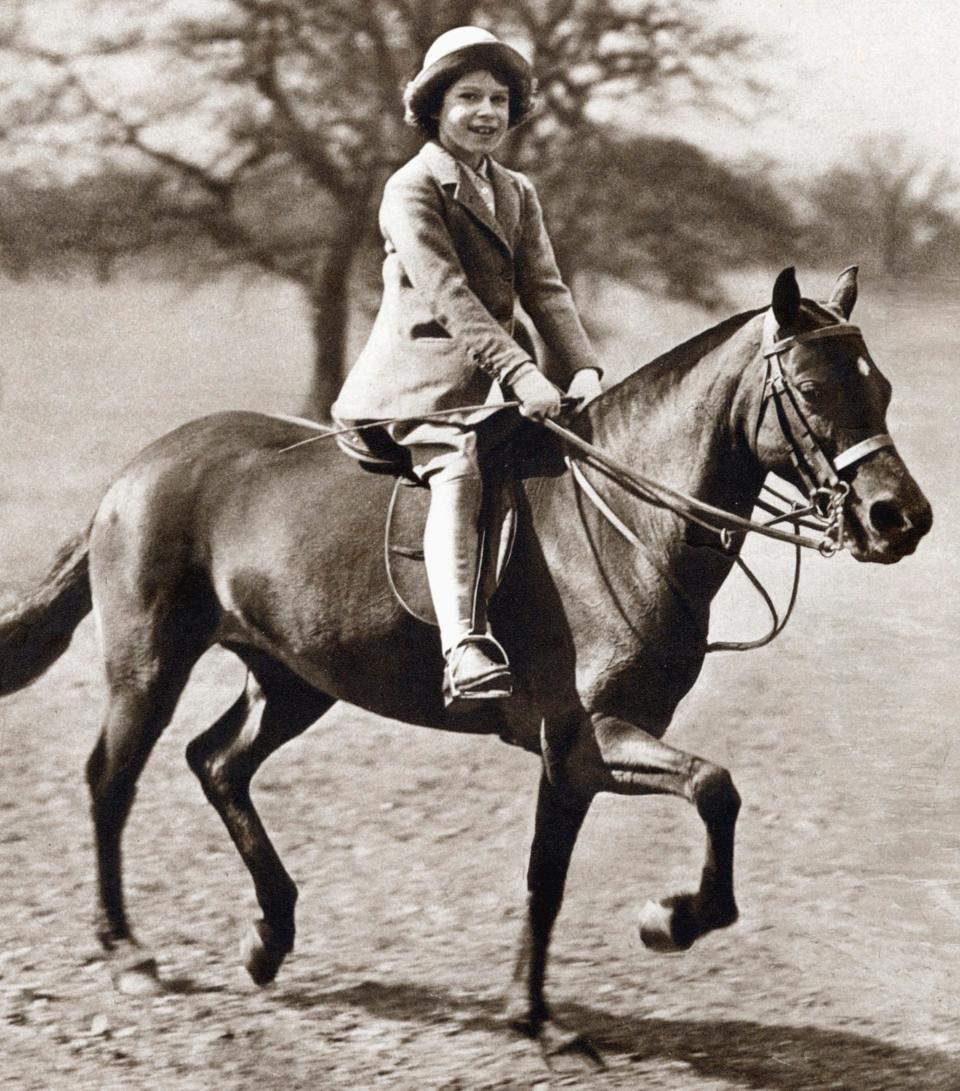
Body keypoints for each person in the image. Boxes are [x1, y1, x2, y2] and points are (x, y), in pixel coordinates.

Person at [332, 25, 603, 705]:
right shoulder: (411, 187)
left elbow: (545, 289)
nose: (486, 112)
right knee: (457, 468)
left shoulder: (516, 190)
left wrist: (582, 369)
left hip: (502, 385)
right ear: (435, 107)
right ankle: (463, 644)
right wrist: (523, 374)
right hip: (416, 390)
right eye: (468, 97)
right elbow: (450, 297)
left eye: (499, 100)